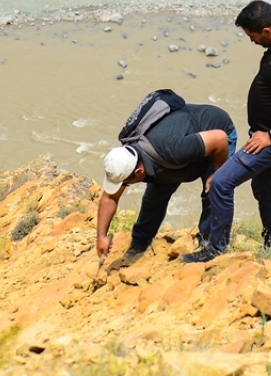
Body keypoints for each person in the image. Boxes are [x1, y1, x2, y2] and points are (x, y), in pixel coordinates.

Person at [182, 0, 271, 263]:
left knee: (220, 183)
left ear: (266, 31)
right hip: (263, 135)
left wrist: (270, 135)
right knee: (265, 189)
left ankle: (215, 247)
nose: (251, 41)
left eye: (252, 36)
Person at [95, 101, 236, 260]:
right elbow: (110, 197)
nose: (124, 187)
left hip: (216, 136)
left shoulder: (174, 150)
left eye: (126, 183)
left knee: (214, 190)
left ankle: (210, 247)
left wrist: (216, 174)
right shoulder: (126, 159)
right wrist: (101, 236)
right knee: (154, 197)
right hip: (184, 147)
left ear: (139, 171)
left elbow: (219, 139)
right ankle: (140, 243)